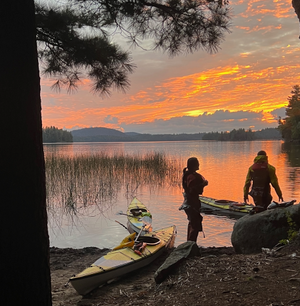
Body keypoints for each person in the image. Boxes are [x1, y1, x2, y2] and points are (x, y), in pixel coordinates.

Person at [182, 157, 208, 242]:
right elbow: (192, 190)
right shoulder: (192, 177)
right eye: (197, 163)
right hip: (192, 203)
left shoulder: (187, 175)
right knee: (195, 223)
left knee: (192, 222)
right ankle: (191, 243)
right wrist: (203, 184)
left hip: (188, 202)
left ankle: (190, 243)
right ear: (193, 165)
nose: (199, 164)